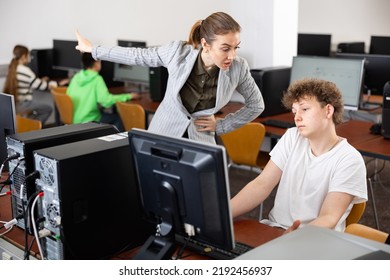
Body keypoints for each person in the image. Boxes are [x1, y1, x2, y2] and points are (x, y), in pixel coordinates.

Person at [75, 11, 264, 144]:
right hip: (163, 134)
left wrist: (222, 125)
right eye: (225, 48)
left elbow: (256, 104)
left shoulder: (238, 67)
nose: (232, 55)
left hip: (200, 142)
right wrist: (94, 50)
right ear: (205, 44)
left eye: (236, 47)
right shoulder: (178, 52)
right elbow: (137, 56)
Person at [231, 78, 368, 233]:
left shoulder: (349, 160)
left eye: (304, 109)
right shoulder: (292, 137)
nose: (296, 117)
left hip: (316, 241)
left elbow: (328, 217)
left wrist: (297, 236)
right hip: (277, 230)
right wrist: (223, 214)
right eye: (294, 111)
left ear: (328, 110)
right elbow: (261, 185)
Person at [66, 52, 140, 132]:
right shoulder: (97, 79)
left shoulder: (76, 77)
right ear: (96, 63)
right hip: (90, 120)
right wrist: (129, 96)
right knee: (118, 118)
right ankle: (121, 143)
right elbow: (106, 101)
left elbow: (68, 95)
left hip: (75, 120)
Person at [3, 45, 69, 125]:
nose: (29, 58)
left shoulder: (12, 69)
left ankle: (28, 125)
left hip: (15, 104)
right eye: (28, 55)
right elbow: (42, 86)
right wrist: (58, 83)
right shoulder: (25, 70)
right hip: (23, 104)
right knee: (47, 109)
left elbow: (33, 82)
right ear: (24, 56)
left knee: (32, 115)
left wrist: (39, 80)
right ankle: (32, 127)